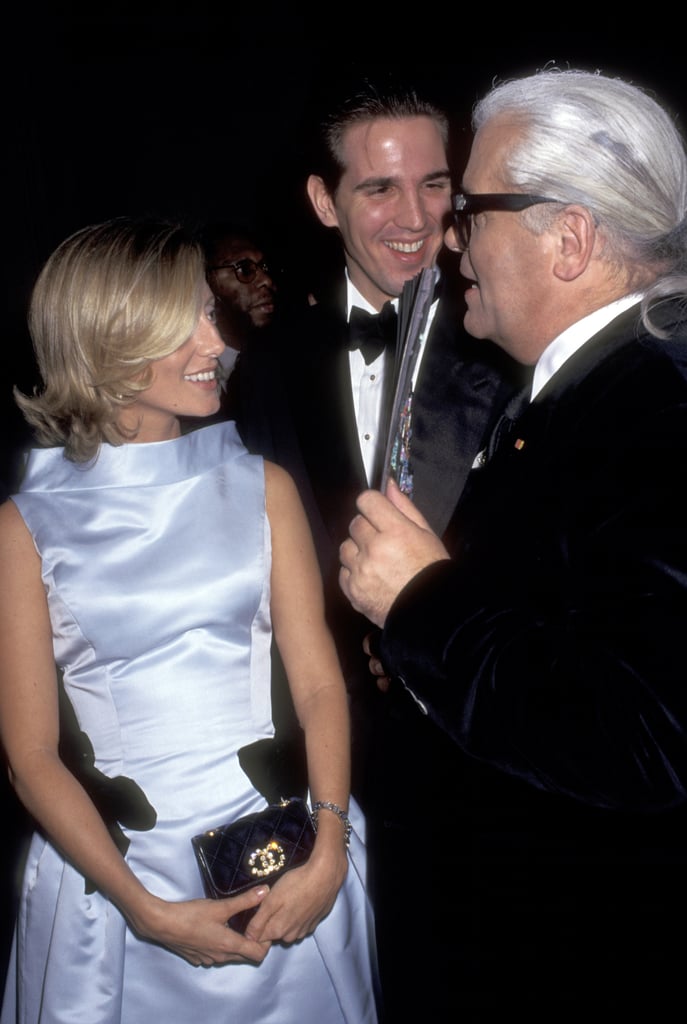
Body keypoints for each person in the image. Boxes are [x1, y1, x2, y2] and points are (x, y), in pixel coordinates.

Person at [339, 68, 687, 1014]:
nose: (446, 239)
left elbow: (654, 742)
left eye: (468, 210)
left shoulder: (668, 411)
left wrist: (422, 602)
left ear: (571, 239)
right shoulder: (579, 393)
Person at [0, 216, 378, 1023]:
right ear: (111, 339)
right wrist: (143, 909)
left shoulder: (259, 483)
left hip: (289, 862)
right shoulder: (25, 525)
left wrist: (331, 842)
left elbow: (317, 686)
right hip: (116, 882)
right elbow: (30, 755)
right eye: (193, 322)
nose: (219, 341)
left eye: (213, 315)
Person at [238, 82, 524, 816]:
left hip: (489, 764)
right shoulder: (261, 365)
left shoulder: (517, 348)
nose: (416, 217)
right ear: (323, 201)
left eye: (434, 185)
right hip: (312, 755)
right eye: (377, 188)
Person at [199, 220, 279, 417]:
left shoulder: (285, 364)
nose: (267, 281)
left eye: (264, 267)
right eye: (244, 269)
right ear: (207, 279)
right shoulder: (187, 369)